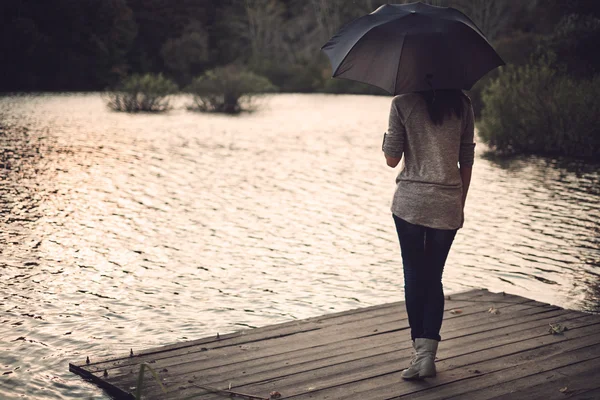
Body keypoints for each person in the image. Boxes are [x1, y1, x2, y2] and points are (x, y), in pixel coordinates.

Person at [382, 89, 475, 380]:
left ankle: (419, 355)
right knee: (433, 276)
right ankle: (428, 356)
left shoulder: (402, 103)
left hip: (411, 201)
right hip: (447, 203)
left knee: (414, 274)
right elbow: (467, 159)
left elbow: (391, 159)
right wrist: (459, 204)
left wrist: (388, 137)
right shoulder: (462, 104)